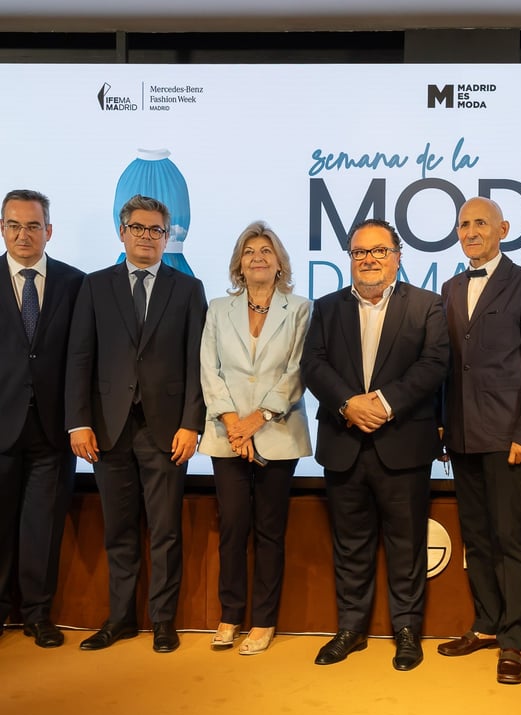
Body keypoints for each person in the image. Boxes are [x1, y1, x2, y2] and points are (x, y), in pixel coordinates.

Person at [301, 218, 449, 671]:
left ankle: (407, 632)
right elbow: (313, 365)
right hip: (344, 441)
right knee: (350, 545)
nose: (369, 259)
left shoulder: (427, 305)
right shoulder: (326, 307)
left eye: (379, 251)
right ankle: (351, 629)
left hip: (402, 443)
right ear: (350, 258)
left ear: (397, 257)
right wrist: (348, 404)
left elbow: (434, 364)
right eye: (360, 252)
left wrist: (384, 403)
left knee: (407, 544)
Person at [66, 194, 207, 653]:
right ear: (122, 232)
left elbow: (197, 363)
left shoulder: (188, 289)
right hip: (107, 429)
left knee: (165, 531)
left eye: (156, 230)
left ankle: (163, 621)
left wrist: (192, 423)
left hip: (167, 431)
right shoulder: (94, 285)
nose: (148, 237)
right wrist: (78, 423)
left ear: (167, 238)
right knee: (118, 530)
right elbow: (80, 357)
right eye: (139, 228)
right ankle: (121, 618)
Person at [438, 196, 521, 685]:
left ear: (503, 229)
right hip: (462, 435)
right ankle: (486, 624)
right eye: (463, 224)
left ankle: (513, 639)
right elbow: (447, 367)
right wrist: (442, 427)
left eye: (480, 223)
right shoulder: (449, 287)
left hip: (510, 437)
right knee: (477, 538)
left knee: (510, 540)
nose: (470, 232)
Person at [199, 221, 312, 655]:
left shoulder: (300, 309)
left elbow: (297, 370)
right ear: (238, 265)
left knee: (269, 530)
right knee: (232, 527)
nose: (258, 257)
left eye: (266, 250)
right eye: (249, 252)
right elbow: (209, 369)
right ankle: (230, 615)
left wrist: (258, 418)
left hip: (277, 433)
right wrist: (234, 422)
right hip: (227, 434)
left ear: (280, 262)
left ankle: (264, 621)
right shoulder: (217, 309)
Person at [0, 189, 84, 647]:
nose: (23, 234)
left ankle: (37, 614)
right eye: (14, 225)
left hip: (54, 429)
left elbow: (84, 358)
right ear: (2, 229)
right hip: (1, 426)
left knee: (43, 527)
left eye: (33, 225)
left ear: (49, 230)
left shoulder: (75, 283)